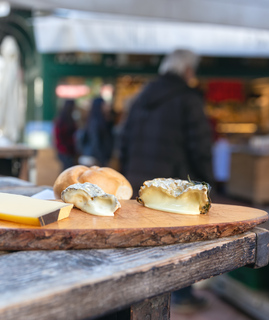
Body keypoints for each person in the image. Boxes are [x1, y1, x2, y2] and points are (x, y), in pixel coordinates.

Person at [119, 49, 213, 313]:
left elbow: (123, 141)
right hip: (175, 186)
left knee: (143, 239)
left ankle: (137, 293)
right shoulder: (188, 99)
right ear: (187, 71)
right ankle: (181, 294)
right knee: (180, 241)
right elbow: (200, 146)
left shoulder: (141, 98)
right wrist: (206, 182)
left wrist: (129, 174)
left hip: (140, 181)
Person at [77, 97, 114, 167]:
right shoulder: (95, 122)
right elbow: (95, 141)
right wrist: (102, 160)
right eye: (104, 104)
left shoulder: (100, 120)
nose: (107, 106)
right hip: (94, 158)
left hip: (95, 157)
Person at [54, 100, 78, 170]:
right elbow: (59, 136)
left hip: (68, 150)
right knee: (67, 171)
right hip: (65, 150)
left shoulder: (69, 119)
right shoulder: (62, 121)